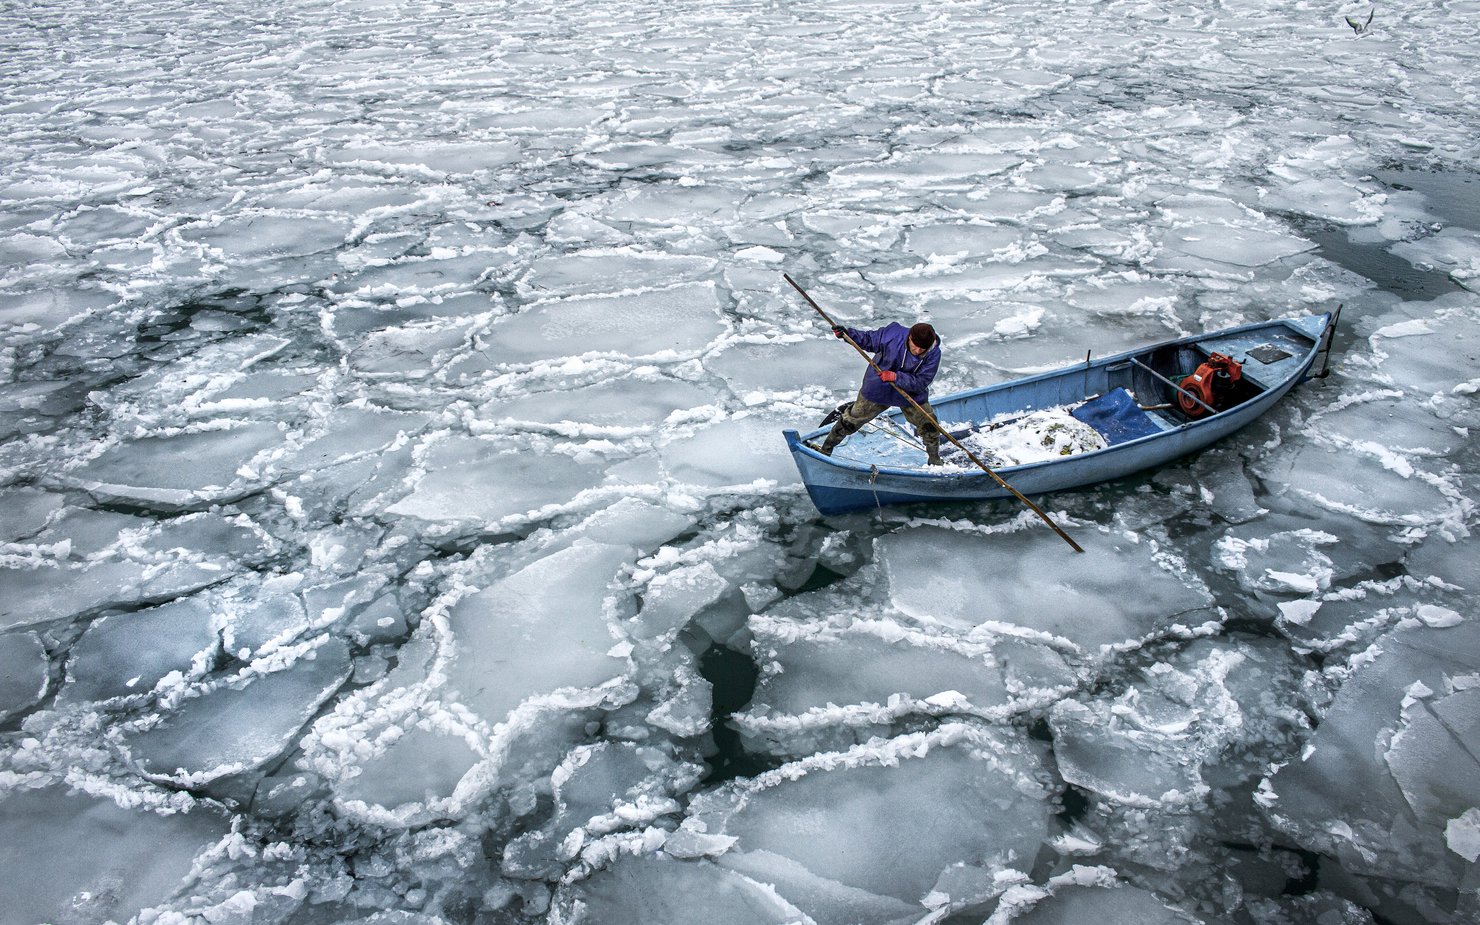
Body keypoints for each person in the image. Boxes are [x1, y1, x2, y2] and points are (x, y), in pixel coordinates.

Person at [814, 320, 943, 465]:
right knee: (851, 420)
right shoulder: (893, 334)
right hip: (878, 387)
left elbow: (922, 382)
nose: (918, 351)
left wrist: (896, 377)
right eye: (915, 346)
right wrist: (848, 335)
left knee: (929, 425)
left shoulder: (933, 353)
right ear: (910, 337)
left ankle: (935, 460)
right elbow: (869, 339)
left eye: (922, 349)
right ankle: (825, 449)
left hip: (910, 393)